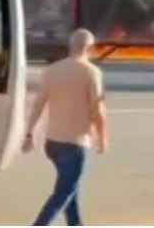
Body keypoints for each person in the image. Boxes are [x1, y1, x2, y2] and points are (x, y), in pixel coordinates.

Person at [22, 28, 108, 226]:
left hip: (52, 143)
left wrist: (29, 133)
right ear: (90, 48)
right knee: (64, 192)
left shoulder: (52, 70)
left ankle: (75, 224)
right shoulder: (91, 72)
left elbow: (38, 104)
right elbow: (97, 109)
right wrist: (103, 137)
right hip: (75, 143)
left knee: (69, 186)